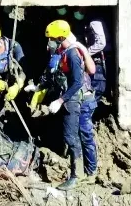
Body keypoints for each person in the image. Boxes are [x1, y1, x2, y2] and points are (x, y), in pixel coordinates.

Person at [45, 20, 97, 190]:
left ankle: (81, 175)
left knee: (76, 136)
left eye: (51, 38)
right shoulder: (63, 51)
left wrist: (60, 100)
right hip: (76, 99)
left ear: (60, 37)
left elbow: (77, 82)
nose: (49, 42)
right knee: (80, 136)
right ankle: (88, 173)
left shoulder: (73, 54)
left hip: (80, 100)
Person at [72, 8, 109, 101]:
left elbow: (101, 43)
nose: (76, 12)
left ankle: (90, 112)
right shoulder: (88, 21)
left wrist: (86, 52)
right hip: (95, 59)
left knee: (97, 88)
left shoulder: (94, 21)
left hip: (99, 59)